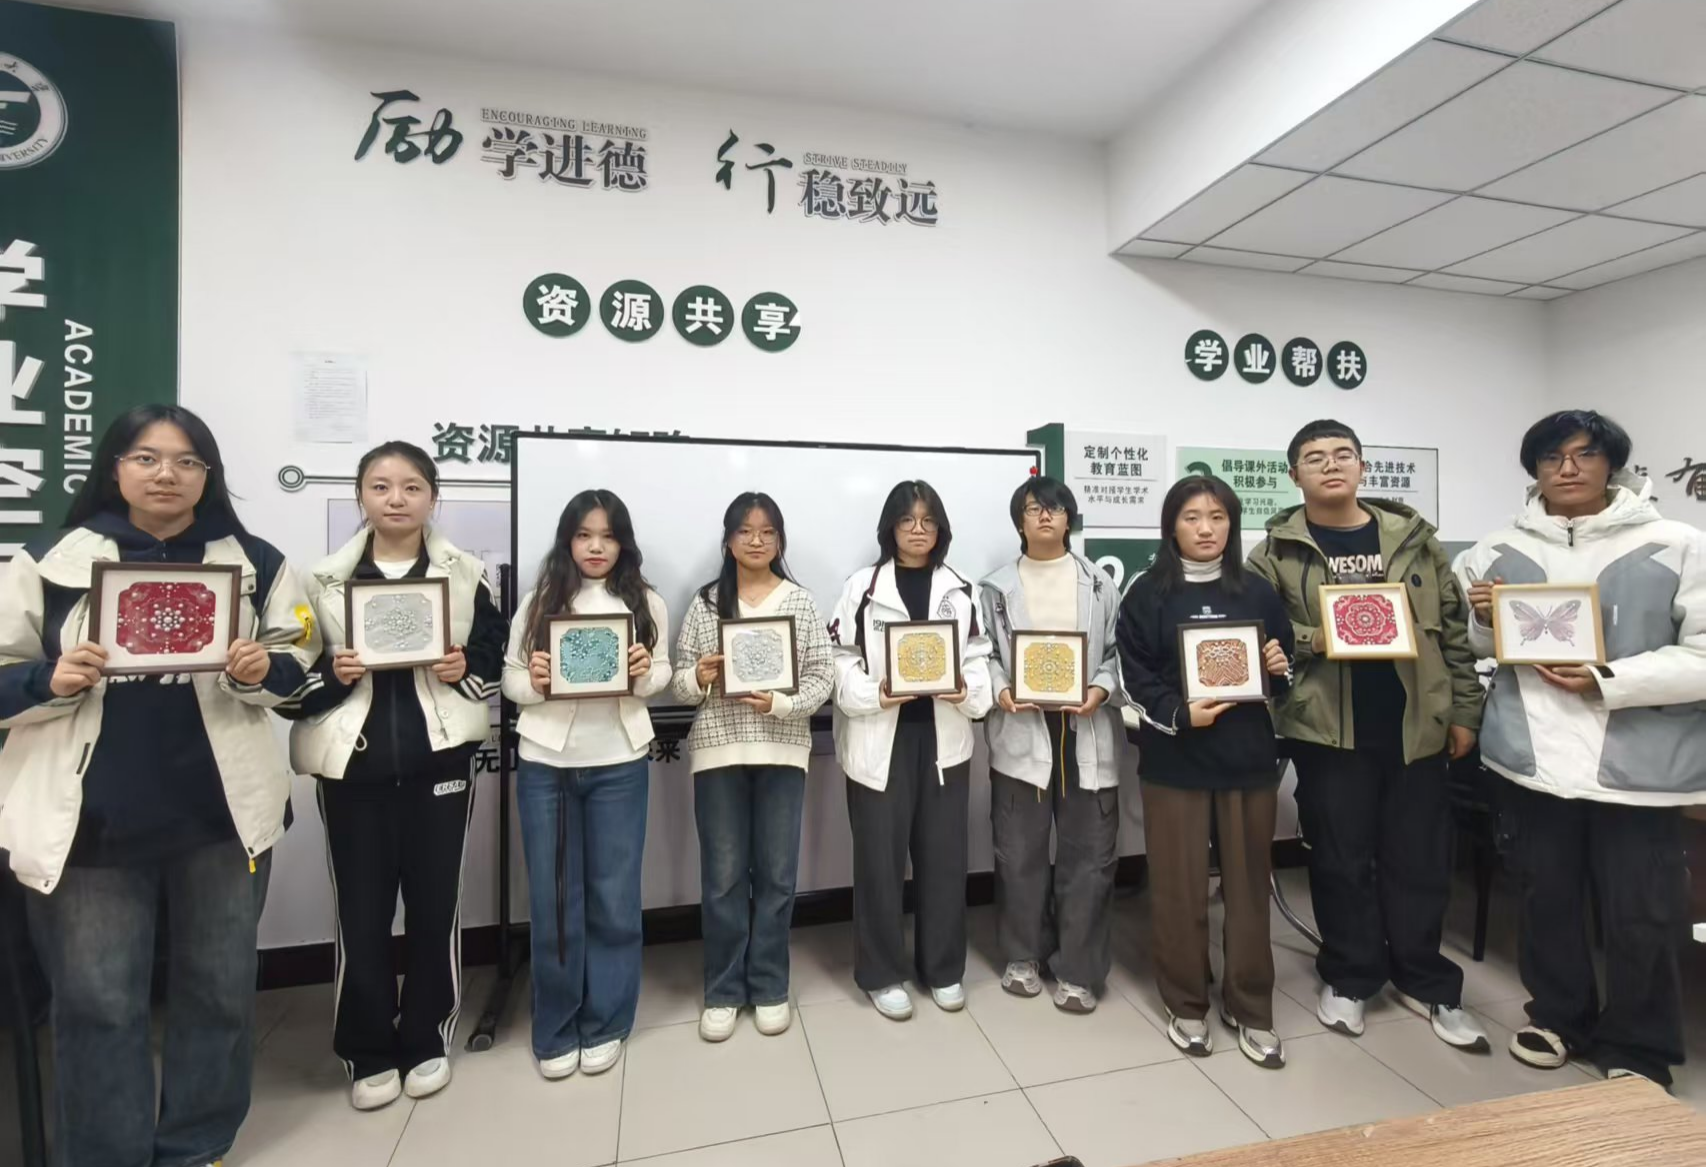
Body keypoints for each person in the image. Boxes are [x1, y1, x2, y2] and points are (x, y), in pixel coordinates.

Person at [0, 404, 319, 1166]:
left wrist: (261, 669)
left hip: (221, 820)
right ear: (114, 468)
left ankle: (197, 1142)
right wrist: (48, 679)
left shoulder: (255, 561)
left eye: (186, 461)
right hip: (91, 827)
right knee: (98, 1003)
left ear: (208, 475)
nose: (166, 474)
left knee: (218, 990)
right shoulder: (47, 561)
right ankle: (106, 1152)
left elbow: (299, 669)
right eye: (146, 458)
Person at [1458, 410, 1703, 1086]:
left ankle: (1639, 1045)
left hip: (1639, 766)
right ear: (1533, 469)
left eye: (1584, 454)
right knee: (1545, 897)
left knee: (1642, 909)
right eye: (1551, 457)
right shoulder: (1493, 549)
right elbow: (1476, 647)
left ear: (1611, 464)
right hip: (1530, 759)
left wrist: (1609, 679)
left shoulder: (1677, 544)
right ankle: (1557, 1016)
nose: (1567, 468)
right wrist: (1483, 618)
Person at [1247, 419, 1488, 1051]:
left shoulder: (1416, 541)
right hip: (1325, 730)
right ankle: (1351, 975)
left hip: (1415, 726)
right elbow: (1261, 638)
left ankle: (1426, 979)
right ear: (1294, 474)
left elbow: (1454, 634)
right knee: (1339, 858)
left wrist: (1465, 712)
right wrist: (1326, 635)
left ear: (1362, 466)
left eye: (1343, 455)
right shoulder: (1273, 553)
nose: (1331, 465)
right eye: (1315, 458)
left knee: (1419, 859)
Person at [281, 441, 506, 1110]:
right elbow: (288, 678)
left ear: (433, 496)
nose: (396, 498)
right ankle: (367, 1048)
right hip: (354, 768)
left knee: (437, 907)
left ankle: (427, 1036)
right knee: (361, 913)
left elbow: (493, 657)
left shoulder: (467, 575)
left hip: (441, 762)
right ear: (361, 496)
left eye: (411, 486)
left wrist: (460, 669)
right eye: (380, 486)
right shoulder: (320, 579)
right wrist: (334, 675)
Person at [1118, 476, 1294, 1067]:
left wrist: (1277, 666)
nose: (1205, 529)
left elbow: (1281, 667)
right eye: (1192, 517)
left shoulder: (1257, 590)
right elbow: (1134, 678)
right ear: (1172, 526)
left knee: (1248, 891)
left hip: (1248, 759)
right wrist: (1179, 713)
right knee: (1179, 889)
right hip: (1175, 763)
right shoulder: (1147, 593)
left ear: (1232, 524)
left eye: (1217, 517)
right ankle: (1186, 1002)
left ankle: (1251, 1006)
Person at [501, 489, 671, 1080]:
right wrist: (536, 680)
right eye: (583, 535)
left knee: (614, 897)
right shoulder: (539, 600)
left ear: (623, 543)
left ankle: (607, 1021)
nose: (596, 547)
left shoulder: (645, 600)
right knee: (553, 900)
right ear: (567, 541)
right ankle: (554, 1026)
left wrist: (646, 673)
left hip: (620, 761)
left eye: (607, 536)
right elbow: (511, 680)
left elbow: (662, 674)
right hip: (546, 763)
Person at [672, 493, 834, 1042]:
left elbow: (822, 677)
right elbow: (678, 682)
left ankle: (769, 985)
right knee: (722, 879)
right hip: (719, 754)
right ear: (728, 541)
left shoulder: (800, 602)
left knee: (777, 876)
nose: (757, 540)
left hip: (782, 751)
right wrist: (700, 675)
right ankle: (722, 990)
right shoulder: (706, 604)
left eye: (767, 532)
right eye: (745, 531)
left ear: (780, 540)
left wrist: (781, 705)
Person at [829, 480, 992, 1020]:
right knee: (878, 861)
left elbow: (979, 658)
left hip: (943, 739)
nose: (918, 530)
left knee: (944, 858)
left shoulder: (960, 589)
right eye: (907, 521)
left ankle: (942, 969)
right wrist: (875, 693)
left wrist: (965, 690)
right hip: (882, 736)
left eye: (927, 521)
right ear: (890, 528)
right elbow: (840, 659)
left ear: (940, 529)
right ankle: (880, 973)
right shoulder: (863, 587)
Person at [977, 475, 1123, 1014]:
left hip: (1085, 728)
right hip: (1022, 729)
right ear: (1019, 521)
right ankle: (1023, 956)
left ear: (1069, 520)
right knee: (1018, 854)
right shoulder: (995, 588)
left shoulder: (1100, 584)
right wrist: (1000, 688)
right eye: (1034, 508)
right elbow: (983, 653)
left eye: (1055, 509)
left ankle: (1079, 970)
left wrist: (1100, 688)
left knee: (1089, 856)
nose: (1044, 516)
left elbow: (1117, 652)